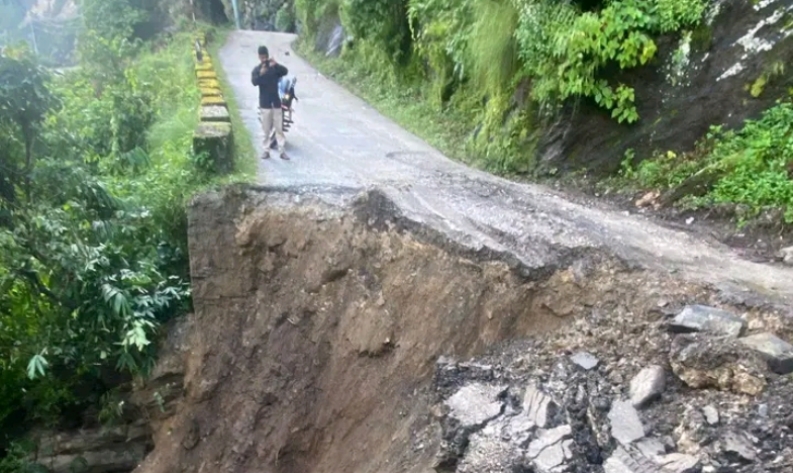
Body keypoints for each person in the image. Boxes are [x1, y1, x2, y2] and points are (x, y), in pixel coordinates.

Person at [251, 45, 289, 160]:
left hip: (276, 102)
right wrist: (261, 73)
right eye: (261, 57)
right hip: (264, 103)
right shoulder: (257, 70)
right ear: (258, 57)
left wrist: (276, 64)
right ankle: (266, 151)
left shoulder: (274, 68)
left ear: (267, 56)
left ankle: (282, 151)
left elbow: (285, 71)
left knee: (279, 129)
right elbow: (254, 82)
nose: (263, 59)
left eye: (265, 57)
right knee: (266, 129)